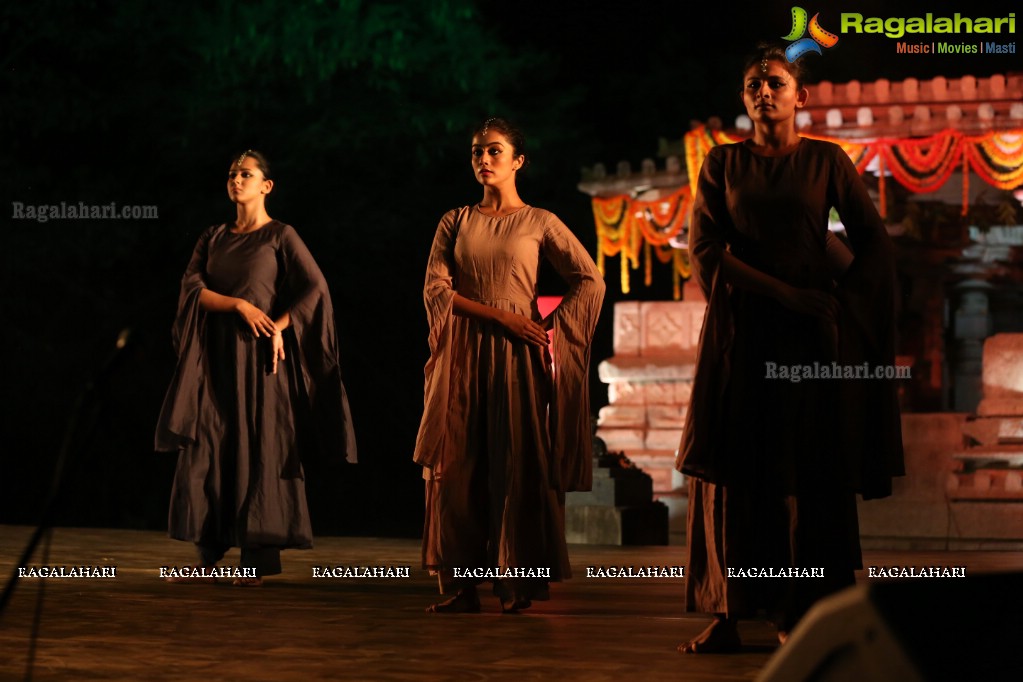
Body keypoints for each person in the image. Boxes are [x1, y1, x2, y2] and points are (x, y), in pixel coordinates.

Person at [676, 44, 904, 652]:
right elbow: (706, 252)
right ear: (743, 96)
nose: (763, 92)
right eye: (753, 84)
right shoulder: (721, 164)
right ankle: (726, 612)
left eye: (775, 82)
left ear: (800, 96)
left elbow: (874, 245)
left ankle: (796, 613)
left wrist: (843, 306)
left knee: (804, 474)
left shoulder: (827, 161)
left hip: (807, 345)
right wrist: (785, 293)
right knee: (735, 471)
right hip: (741, 336)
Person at [415, 117, 605, 613]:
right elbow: (437, 291)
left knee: (517, 461)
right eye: (477, 151)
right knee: (457, 465)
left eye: (494, 151)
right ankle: (462, 586)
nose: (483, 159)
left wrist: (550, 326)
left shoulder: (540, 221)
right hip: (461, 354)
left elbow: (590, 279)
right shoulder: (455, 220)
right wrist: (507, 317)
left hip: (517, 357)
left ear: (518, 160)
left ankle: (516, 583)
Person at [155, 150, 357, 586]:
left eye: (246, 174)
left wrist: (280, 326)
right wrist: (241, 305)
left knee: (259, 446)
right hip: (214, 358)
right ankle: (206, 558)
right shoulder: (212, 237)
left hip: (260, 360)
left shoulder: (280, 236)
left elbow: (315, 289)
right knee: (209, 446)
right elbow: (192, 290)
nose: (236, 180)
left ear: (266, 185)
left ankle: (254, 563)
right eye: (232, 174)